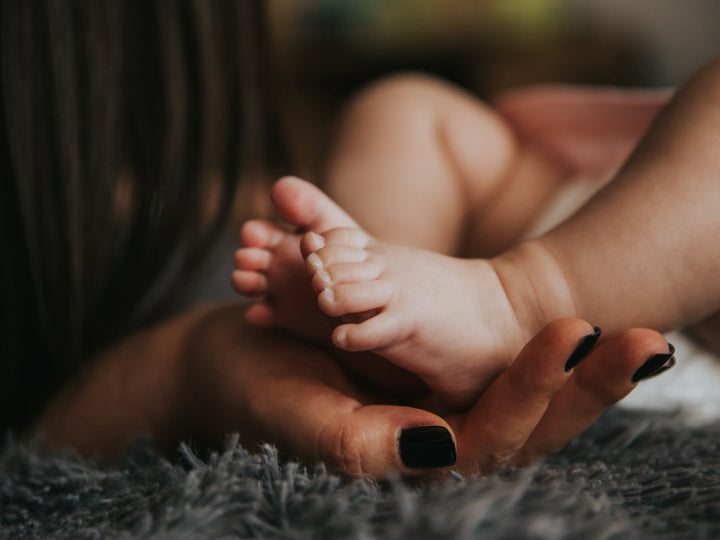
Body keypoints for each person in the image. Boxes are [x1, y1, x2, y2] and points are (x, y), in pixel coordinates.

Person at [1, 0, 669, 479]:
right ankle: (395, 302)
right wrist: (185, 366)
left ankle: (468, 304)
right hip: (559, 216)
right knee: (399, 108)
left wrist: (186, 363)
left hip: (641, 270)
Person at [231, 54, 720, 410]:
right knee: (404, 107)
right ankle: (384, 292)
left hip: (642, 304)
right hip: (576, 214)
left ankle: (515, 304)